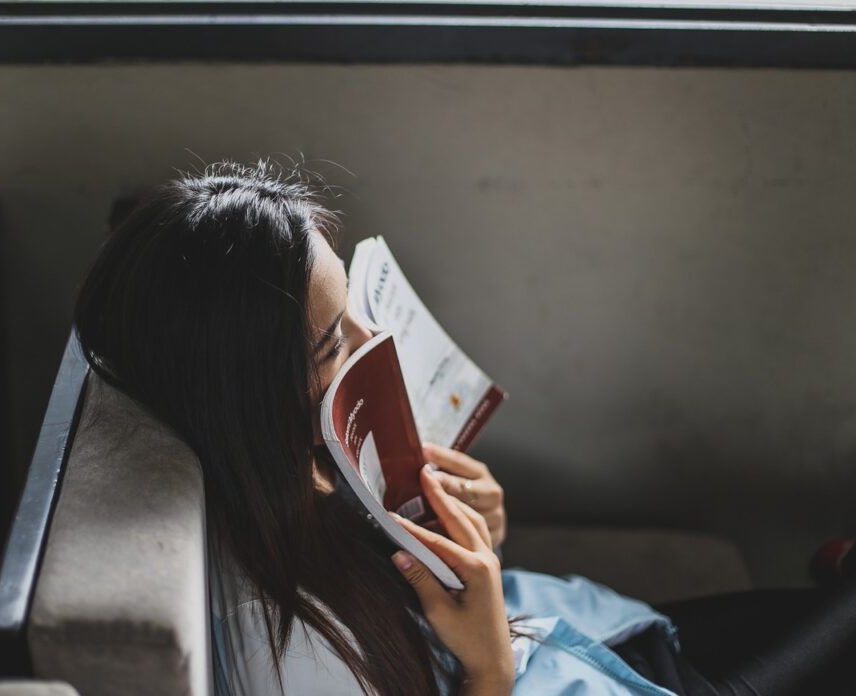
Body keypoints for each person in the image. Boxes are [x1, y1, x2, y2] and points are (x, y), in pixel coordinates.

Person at [73, 160, 856, 696]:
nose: (367, 342)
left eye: (350, 306)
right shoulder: (292, 654)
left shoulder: (283, 472)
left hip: (577, 637)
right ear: (246, 392)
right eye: (330, 342)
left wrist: (475, 543)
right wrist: (487, 671)